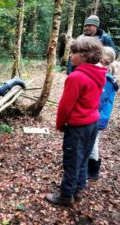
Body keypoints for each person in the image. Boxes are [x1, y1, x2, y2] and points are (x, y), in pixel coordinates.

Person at [45, 36, 108, 206]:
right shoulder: (99, 73)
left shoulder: (76, 77)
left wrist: (59, 124)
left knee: (72, 161)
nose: (71, 56)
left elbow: (65, 107)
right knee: (83, 158)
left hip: (78, 127)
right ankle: (78, 190)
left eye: (74, 53)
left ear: (85, 55)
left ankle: (66, 196)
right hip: (92, 124)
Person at [88, 46, 119, 180]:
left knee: (93, 142)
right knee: (93, 141)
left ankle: (93, 170)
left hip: (98, 117)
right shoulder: (108, 77)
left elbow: (100, 101)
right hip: (99, 116)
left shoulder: (107, 80)